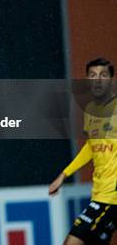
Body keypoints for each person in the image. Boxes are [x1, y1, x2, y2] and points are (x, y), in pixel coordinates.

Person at [49, 57, 116, 245]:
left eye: (103, 75)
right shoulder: (91, 110)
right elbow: (90, 147)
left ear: (111, 80)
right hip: (100, 192)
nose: (97, 80)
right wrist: (64, 174)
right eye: (93, 75)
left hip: (111, 198)